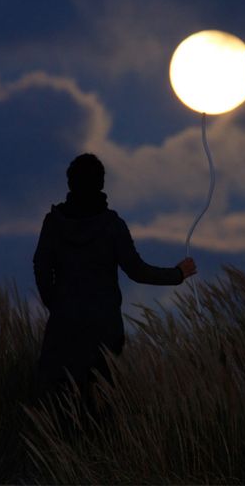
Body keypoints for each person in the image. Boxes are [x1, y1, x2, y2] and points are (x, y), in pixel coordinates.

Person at [33, 153, 196, 410]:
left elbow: (41, 268)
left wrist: (56, 304)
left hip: (64, 325)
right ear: (101, 184)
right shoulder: (112, 225)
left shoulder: (53, 223)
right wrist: (177, 275)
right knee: (100, 400)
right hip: (104, 326)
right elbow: (136, 270)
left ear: (70, 184)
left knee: (58, 399)